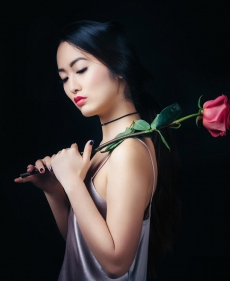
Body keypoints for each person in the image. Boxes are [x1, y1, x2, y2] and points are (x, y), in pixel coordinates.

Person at [14, 20, 181, 280]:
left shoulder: (129, 151)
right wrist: (55, 191)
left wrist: (71, 181)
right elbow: (82, 247)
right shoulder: (110, 147)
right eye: (64, 78)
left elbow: (115, 263)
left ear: (120, 66)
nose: (72, 87)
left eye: (80, 69)